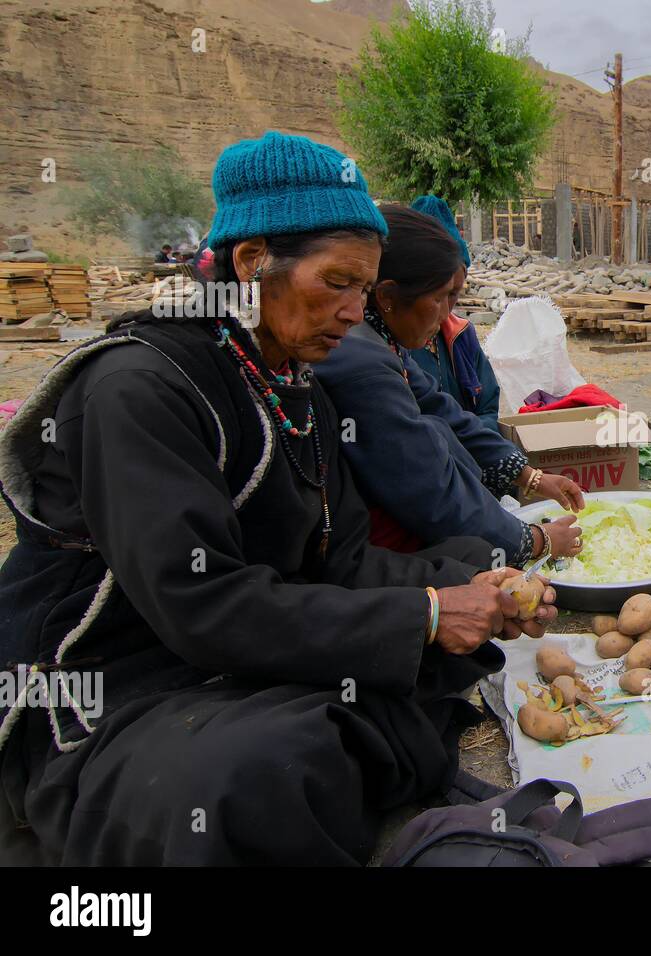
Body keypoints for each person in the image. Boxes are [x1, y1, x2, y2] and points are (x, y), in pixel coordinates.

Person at [0, 131, 557, 866]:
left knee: (458, 565)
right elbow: (201, 604)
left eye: (366, 288)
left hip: (239, 635)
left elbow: (344, 559)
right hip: (123, 673)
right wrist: (422, 614)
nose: (357, 312)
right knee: (256, 768)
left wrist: (473, 587)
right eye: (337, 283)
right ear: (251, 261)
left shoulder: (296, 389)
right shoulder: (138, 387)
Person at [314, 204, 585, 566]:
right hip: (373, 557)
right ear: (388, 297)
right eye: (440, 297)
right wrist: (536, 540)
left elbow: (446, 411)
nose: (447, 314)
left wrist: (531, 477)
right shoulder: (363, 365)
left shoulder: (384, 344)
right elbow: (431, 491)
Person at [404, 194, 503, 428]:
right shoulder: (391, 346)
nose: (445, 309)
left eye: (453, 293)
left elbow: (487, 407)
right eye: (437, 296)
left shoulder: (461, 334)